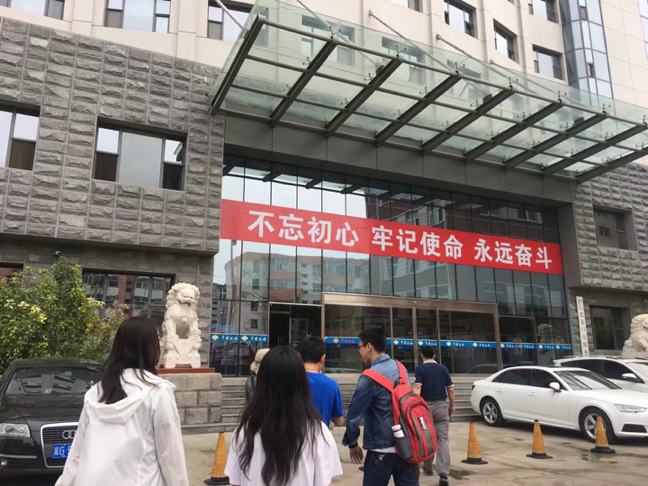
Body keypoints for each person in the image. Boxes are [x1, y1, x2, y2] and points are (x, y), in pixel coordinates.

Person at [55, 317, 188, 486]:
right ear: (145, 347)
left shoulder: (96, 392)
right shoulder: (157, 392)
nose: (161, 345)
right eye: (157, 339)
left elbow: (77, 451)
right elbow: (171, 457)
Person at [225, 346, 343, 486]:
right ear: (302, 384)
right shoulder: (318, 433)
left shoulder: (244, 432)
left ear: (261, 383)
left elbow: (235, 483)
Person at [342, 327, 419, 486]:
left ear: (369, 346)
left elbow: (353, 417)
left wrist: (352, 443)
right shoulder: (401, 369)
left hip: (380, 451)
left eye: (360, 347)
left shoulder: (368, 378)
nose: (359, 352)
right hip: (407, 448)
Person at [413, 346, 454, 486]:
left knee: (425, 437)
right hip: (441, 406)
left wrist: (413, 404)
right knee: (442, 439)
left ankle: (428, 467)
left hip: (425, 408)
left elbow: (417, 388)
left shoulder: (420, 369)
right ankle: (443, 473)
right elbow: (451, 390)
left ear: (422, 356)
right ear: (435, 356)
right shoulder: (443, 369)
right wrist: (452, 406)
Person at [300, 336, 344, 428]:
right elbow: (339, 421)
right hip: (320, 435)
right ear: (323, 358)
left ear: (300, 356)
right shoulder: (331, 385)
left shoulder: (290, 380)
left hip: (294, 435)